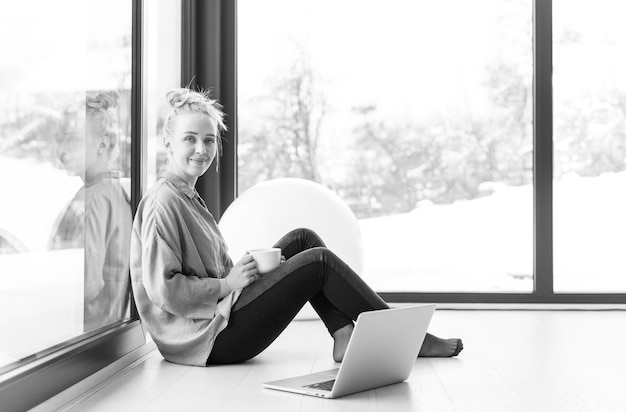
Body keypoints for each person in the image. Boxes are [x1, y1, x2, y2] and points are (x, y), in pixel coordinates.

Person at [130, 87, 463, 367]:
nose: (202, 149)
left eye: (209, 140)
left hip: (218, 315)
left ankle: (343, 333)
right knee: (318, 261)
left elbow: (209, 273)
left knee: (303, 240)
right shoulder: (165, 202)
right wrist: (227, 283)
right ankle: (407, 338)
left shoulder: (186, 195)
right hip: (208, 339)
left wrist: (240, 276)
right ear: (169, 144)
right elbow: (165, 289)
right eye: (190, 139)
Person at [50, 91, 132, 332]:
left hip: (83, 336)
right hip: (105, 334)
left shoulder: (94, 199)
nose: (62, 150)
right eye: (59, 139)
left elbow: (86, 284)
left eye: (72, 140)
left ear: (103, 144)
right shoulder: (112, 191)